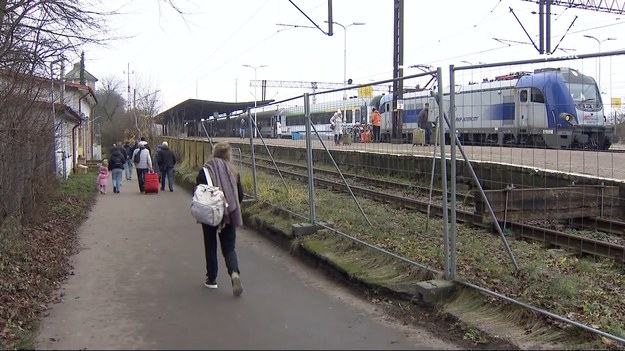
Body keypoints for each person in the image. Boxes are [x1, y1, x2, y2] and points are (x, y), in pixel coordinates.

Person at [195, 142, 244, 296]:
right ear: (228, 155)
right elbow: (240, 196)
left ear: (213, 153)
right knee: (229, 247)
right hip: (228, 212)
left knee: (210, 245)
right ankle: (234, 273)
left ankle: (211, 279)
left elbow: (198, 191)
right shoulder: (233, 171)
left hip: (210, 213)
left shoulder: (205, 170)